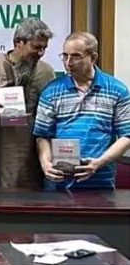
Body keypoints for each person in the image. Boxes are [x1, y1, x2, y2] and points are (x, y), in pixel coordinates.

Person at [34, 32, 130, 190]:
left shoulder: (117, 90)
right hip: (58, 184)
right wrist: (45, 164)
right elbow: (42, 135)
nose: (68, 63)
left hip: (100, 182)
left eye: (76, 56)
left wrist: (98, 163)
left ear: (93, 58)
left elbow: (126, 136)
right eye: (65, 56)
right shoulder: (51, 91)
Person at [0, 17, 55, 189]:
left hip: (33, 157)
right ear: (18, 42)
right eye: (36, 47)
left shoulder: (46, 72)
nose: (41, 53)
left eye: (44, 48)